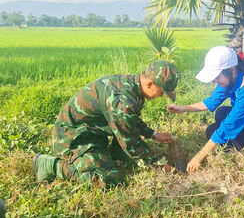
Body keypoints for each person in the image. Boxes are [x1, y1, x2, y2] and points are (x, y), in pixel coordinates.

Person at [33, 60, 181, 187]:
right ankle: (50, 165)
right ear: (149, 84)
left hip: (92, 132)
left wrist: (154, 134)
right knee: (111, 178)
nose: (160, 97)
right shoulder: (123, 100)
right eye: (161, 93)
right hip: (73, 137)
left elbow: (130, 120)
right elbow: (130, 142)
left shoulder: (132, 85)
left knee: (123, 156)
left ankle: (110, 157)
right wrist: (158, 165)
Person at [167, 46, 244, 173]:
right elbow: (212, 101)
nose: (215, 81)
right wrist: (182, 108)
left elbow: (229, 126)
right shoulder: (230, 79)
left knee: (223, 130)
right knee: (220, 115)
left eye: (217, 77)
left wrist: (198, 157)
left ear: (232, 69)